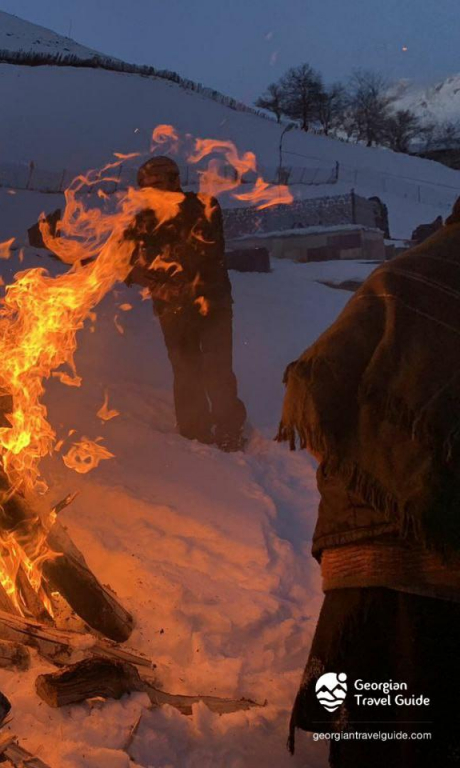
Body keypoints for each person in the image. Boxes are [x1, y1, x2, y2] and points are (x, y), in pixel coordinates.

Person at [281, 197, 460, 766]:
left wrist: (367, 472)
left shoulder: (400, 275)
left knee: (376, 728)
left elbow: (313, 382)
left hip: (361, 561)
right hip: (442, 566)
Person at [124, 156, 247, 451]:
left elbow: (203, 252)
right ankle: (194, 431)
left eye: (157, 184)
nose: (151, 191)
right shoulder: (143, 220)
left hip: (211, 302)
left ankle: (229, 427)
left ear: (175, 181)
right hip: (172, 309)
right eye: (145, 187)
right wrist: (153, 283)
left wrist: (167, 277)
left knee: (217, 366)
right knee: (185, 368)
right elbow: (125, 261)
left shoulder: (205, 206)